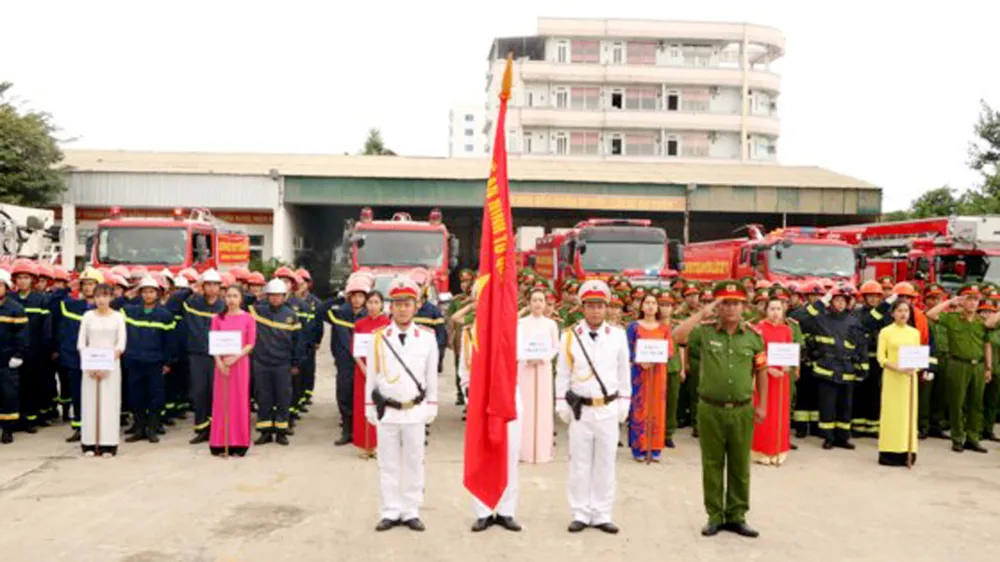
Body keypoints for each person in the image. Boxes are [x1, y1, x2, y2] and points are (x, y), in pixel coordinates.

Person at [674, 280, 766, 539]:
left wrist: (763, 405)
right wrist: (703, 313)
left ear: (744, 306)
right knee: (712, 463)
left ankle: (737, 515)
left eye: (736, 303)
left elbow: (761, 371)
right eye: (724, 302)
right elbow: (678, 336)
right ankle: (715, 515)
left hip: (742, 410)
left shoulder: (753, 337)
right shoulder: (704, 332)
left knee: (740, 464)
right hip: (710, 409)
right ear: (717, 305)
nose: (730, 308)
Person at [555, 280, 630, 535]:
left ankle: (602, 513)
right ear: (582, 308)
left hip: (607, 407)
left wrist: (625, 402)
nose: (596, 311)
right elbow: (562, 374)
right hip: (581, 409)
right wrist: (561, 403)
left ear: (607, 308)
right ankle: (580, 511)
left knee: (606, 462)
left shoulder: (618, 336)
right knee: (580, 462)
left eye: (600, 306)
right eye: (590, 306)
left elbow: (623, 373)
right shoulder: (569, 336)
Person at [366, 276, 439, 533]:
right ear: (391, 307)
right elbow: (372, 376)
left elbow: (431, 376)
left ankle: (410, 510)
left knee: (413, 461)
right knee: (387, 463)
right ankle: (390, 509)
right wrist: (368, 406)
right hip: (387, 409)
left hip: (415, 410)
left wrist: (432, 405)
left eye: (407, 303)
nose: (402, 308)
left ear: (416, 305)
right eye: (397, 304)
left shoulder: (427, 338)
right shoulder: (378, 337)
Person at [459, 277, 524, 533]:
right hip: (479, 401)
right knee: (482, 454)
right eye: (481, 297)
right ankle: (483, 510)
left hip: (508, 398)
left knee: (510, 454)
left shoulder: (514, 329)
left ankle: (507, 510)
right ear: (475, 301)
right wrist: (471, 398)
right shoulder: (469, 333)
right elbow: (464, 372)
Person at [925, 284, 994, 453]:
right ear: (963, 301)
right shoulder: (952, 318)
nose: (973, 303)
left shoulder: (981, 322)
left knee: (976, 403)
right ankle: (958, 437)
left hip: (977, 365)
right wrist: (951, 301)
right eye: (969, 299)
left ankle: (973, 438)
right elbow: (930, 314)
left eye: (976, 300)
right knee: (957, 402)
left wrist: (988, 367)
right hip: (957, 364)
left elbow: (987, 345)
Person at [801, 284, 867, 450]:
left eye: (843, 301)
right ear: (831, 302)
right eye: (836, 300)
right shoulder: (820, 319)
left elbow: (861, 345)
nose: (840, 304)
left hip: (847, 369)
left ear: (847, 302)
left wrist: (862, 366)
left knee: (845, 406)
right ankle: (828, 437)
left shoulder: (854, 321)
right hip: (826, 368)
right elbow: (799, 318)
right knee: (827, 406)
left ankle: (843, 438)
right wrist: (820, 303)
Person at [121, 276, 176, 443]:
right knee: (136, 396)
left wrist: (167, 363)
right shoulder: (130, 311)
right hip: (134, 361)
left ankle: (152, 429)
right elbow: (113, 306)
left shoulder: (165, 315)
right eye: (144, 291)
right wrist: (126, 295)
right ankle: (138, 429)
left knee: (155, 397)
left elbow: (170, 342)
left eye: (151, 291)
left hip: (155, 363)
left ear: (158, 294)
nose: (148, 295)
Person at [250, 279, 302, 446]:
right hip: (261, 363)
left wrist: (295, 363)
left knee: (283, 398)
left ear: (284, 296)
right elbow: (240, 301)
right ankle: (265, 432)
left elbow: (298, 343)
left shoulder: (291, 315)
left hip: (283, 364)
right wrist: (255, 295)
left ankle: (281, 432)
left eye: (278, 295)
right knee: (263, 398)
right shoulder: (257, 311)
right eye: (271, 295)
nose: (274, 298)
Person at [77, 283, 127, 457]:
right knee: (89, 403)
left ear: (111, 298)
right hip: (89, 367)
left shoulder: (118, 317)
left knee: (109, 403)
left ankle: (108, 444)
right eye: (97, 296)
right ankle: (89, 443)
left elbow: (120, 344)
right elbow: (82, 343)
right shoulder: (88, 317)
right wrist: (90, 364)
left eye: (105, 296)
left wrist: (107, 363)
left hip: (111, 367)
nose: (101, 300)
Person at [209, 284, 256, 457]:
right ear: (224, 298)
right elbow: (213, 342)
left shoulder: (248, 318)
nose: (231, 299)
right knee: (221, 402)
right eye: (228, 296)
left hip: (240, 363)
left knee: (239, 401)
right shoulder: (217, 319)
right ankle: (220, 441)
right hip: (221, 365)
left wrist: (236, 357)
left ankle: (239, 441)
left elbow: (250, 343)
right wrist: (219, 362)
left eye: (235, 296)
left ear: (241, 299)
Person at [326, 272, 370, 446]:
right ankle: (346, 430)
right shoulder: (339, 313)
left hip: (365, 364)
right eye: (354, 296)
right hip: (344, 362)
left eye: (361, 296)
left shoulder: (369, 316)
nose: (357, 300)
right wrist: (338, 299)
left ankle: (362, 430)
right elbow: (322, 310)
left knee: (363, 397)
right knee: (344, 395)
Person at [876, 300, 922, 466]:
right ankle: (889, 451)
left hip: (909, 378)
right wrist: (897, 368)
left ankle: (908, 449)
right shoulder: (886, 332)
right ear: (893, 313)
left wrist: (913, 368)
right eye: (900, 310)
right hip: (892, 376)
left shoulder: (914, 333)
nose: (903, 314)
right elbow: (881, 357)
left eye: (906, 311)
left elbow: (918, 355)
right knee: (891, 414)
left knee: (908, 414)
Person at [182, 269, 226, 444]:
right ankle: (202, 429)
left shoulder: (224, 307)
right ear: (203, 286)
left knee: (217, 394)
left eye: (216, 284)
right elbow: (173, 303)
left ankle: (218, 430)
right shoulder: (192, 304)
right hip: (198, 355)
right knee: (200, 393)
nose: (212, 288)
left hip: (219, 357)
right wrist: (190, 288)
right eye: (208, 284)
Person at [626, 292, 671, 462]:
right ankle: (638, 447)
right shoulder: (633, 327)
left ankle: (655, 447)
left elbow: (669, 350)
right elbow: (627, 349)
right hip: (639, 374)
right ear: (642, 306)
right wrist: (639, 361)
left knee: (657, 409)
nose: (651, 306)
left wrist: (656, 359)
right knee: (639, 408)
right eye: (647, 303)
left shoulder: (664, 328)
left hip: (658, 373)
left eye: (654, 303)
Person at [518, 288, 559, 464]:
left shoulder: (551, 324)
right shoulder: (521, 323)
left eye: (541, 300)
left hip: (543, 368)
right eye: (534, 300)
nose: (537, 304)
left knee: (543, 407)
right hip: (525, 367)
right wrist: (526, 358)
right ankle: (524, 451)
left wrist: (543, 357)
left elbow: (555, 346)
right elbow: (516, 345)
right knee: (525, 407)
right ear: (529, 303)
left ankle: (542, 451)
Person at [752, 295, 794, 466]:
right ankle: (760, 450)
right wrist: (767, 369)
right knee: (764, 411)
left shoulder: (787, 330)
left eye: (779, 309)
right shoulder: (759, 329)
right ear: (765, 310)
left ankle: (779, 449)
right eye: (772, 309)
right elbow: (756, 354)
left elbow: (790, 350)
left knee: (780, 412)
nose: (776, 312)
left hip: (781, 379)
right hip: (764, 376)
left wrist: (788, 366)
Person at [352, 290, 390, 458]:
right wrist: (362, 367)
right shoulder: (360, 324)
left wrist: (380, 369)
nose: (373, 306)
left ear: (382, 304)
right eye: (370, 302)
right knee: (363, 406)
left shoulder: (388, 324)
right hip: (363, 371)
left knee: (382, 406)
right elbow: (355, 350)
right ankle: (365, 445)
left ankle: (380, 445)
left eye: (376, 302)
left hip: (383, 370)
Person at [0, 270, 27, 444]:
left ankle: (8, 429)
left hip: (6, 359)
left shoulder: (15, 309)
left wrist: (18, 355)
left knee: (8, 394)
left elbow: (22, 336)